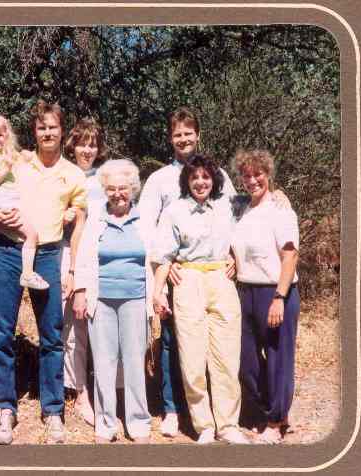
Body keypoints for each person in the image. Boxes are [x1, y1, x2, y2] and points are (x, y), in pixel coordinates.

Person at [0, 100, 87, 445]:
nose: (47, 133)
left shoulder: (73, 174)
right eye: (41, 127)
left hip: (46, 255)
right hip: (7, 252)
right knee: (2, 333)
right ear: (35, 132)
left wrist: (73, 268)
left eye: (53, 127)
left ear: (62, 132)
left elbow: (79, 224)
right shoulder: (19, 160)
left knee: (51, 334)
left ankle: (53, 410)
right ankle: (5, 408)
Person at [138, 106, 237, 437]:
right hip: (178, 274)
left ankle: (228, 423)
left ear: (198, 135)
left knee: (222, 355)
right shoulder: (160, 181)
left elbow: (239, 219)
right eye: (177, 133)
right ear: (170, 138)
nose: (183, 138)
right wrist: (162, 277)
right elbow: (149, 231)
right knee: (180, 350)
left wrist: (236, 256)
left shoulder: (220, 177)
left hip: (217, 277)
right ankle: (175, 411)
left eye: (188, 133)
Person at [151, 154, 249, 444]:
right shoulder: (175, 211)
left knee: (227, 358)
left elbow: (259, 200)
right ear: (187, 181)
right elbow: (164, 255)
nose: (200, 182)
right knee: (193, 360)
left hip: (222, 280)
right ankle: (204, 425)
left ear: (214, 179)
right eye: (195, 177)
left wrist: (279, 194)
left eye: (206, 177)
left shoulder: (228, 205)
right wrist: (158, 292)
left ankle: (228, 425)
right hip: (188, 280)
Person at [73, 159, 152, 444]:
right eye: (112, 188)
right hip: (101, 299)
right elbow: (82, 255)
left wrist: (159, 294)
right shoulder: (96, 218)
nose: (118, 193)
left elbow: (157, 257)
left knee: (133, 361)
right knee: (104, 363)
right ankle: (105, 424)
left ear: (133, 188)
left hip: (136, 298)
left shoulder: (145, 218)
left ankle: (138, 422)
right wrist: (80, 291)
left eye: (124, 188)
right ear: (104, 190)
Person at [231, 149, 300, 444]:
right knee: (246, 361)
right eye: (246, 175)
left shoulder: (281, 209)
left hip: (275, 291)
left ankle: (275, 421)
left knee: (277, 359)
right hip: (245, 291)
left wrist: (279, 297)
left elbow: (290, 255)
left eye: (257, 174)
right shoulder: (241, 208)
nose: (252, 180)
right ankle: (272, 409)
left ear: (268, 174)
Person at [61, 117, 108, 425]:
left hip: (100, 255)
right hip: (68, 254)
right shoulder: (63, 175)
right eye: (82, 143)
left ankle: (106, 389)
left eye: (92, 144)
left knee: (100, 324)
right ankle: (79, 393)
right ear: (72, 146)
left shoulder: (105, 178)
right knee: (73, 326)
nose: (87, 150)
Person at [0, 114, 48, 290]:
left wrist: (25, 155)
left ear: (6, 135)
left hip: (9, 201)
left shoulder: (6, 154)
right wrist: (5, 168)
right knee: (31, 235)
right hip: (3, 202)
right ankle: (28, 274)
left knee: (10, 234)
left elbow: (22, 158)